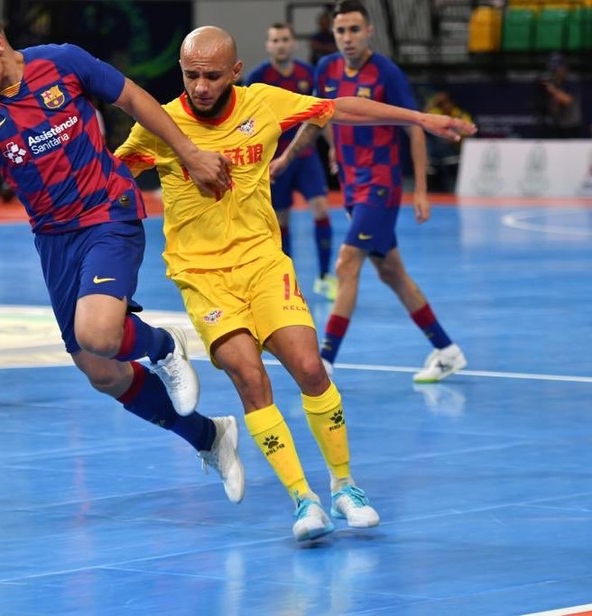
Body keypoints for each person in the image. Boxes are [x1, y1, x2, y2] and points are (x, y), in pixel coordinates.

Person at [115, 26, 474, 540]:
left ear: (235, 72)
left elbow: (342, 108)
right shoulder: (161, 126)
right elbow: (106, 177)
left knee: (309, 366)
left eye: (212, 76)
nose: (199, 86)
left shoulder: (264, 103)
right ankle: (302, 500)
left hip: (263, 263)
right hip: (203, 277)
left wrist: (417, 118)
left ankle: (345, 485)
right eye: (191, 75)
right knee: (247, 374)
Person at [0, 6, 245, 504]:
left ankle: (162, 346)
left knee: (98, 333)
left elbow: (133, 98)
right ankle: (209, 437)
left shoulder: (63, 62)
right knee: (100, 369)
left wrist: (188, 152)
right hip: (53, 238)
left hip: (106, 211)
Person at [285, 0, 469, 384]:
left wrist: (420, 188)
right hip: (352, 186)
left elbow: (415, 127)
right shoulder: (327, 69)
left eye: (354, 30)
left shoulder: (387, 73)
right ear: (332, 34)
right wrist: (287, 159)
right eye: (340, 31)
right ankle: (447, 350)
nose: (347, 38)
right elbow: (321, 117)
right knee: (392, 273)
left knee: (346, 263)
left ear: (369, 31)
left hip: (381, 187)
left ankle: (326, 361)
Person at [244, 21, 337, 301]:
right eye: (275, 40)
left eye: (285, 39)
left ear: (293, 43)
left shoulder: (308, 74)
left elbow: (322, 113)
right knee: (280, 220)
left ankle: (323, 276)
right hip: (273, 161)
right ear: (268, 45)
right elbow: (248, 122)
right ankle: (290, 280)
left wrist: (333, 147)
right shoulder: (256, 77)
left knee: (320, 208)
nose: (281, 44)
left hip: (305, 156)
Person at [423, 90, 472, 192]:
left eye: (446, 102)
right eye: (442, 103)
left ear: (452, 103)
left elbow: (469, 131)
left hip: (454, 150)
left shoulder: (460, 115)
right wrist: (434, 101)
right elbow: (422, 118)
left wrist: (456, 138)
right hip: (436, 152)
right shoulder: (436, 113)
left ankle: (451, 190)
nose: (445, 105)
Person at [538, 53, 583, 140]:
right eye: (553, 70)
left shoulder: (571, 82)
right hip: (558, 126)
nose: (555, 72)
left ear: (564, 68)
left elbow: (568, 100)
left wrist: (553, 90)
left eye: (557, 69)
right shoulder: (554, 84)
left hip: (572, 127)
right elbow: (554, 109)